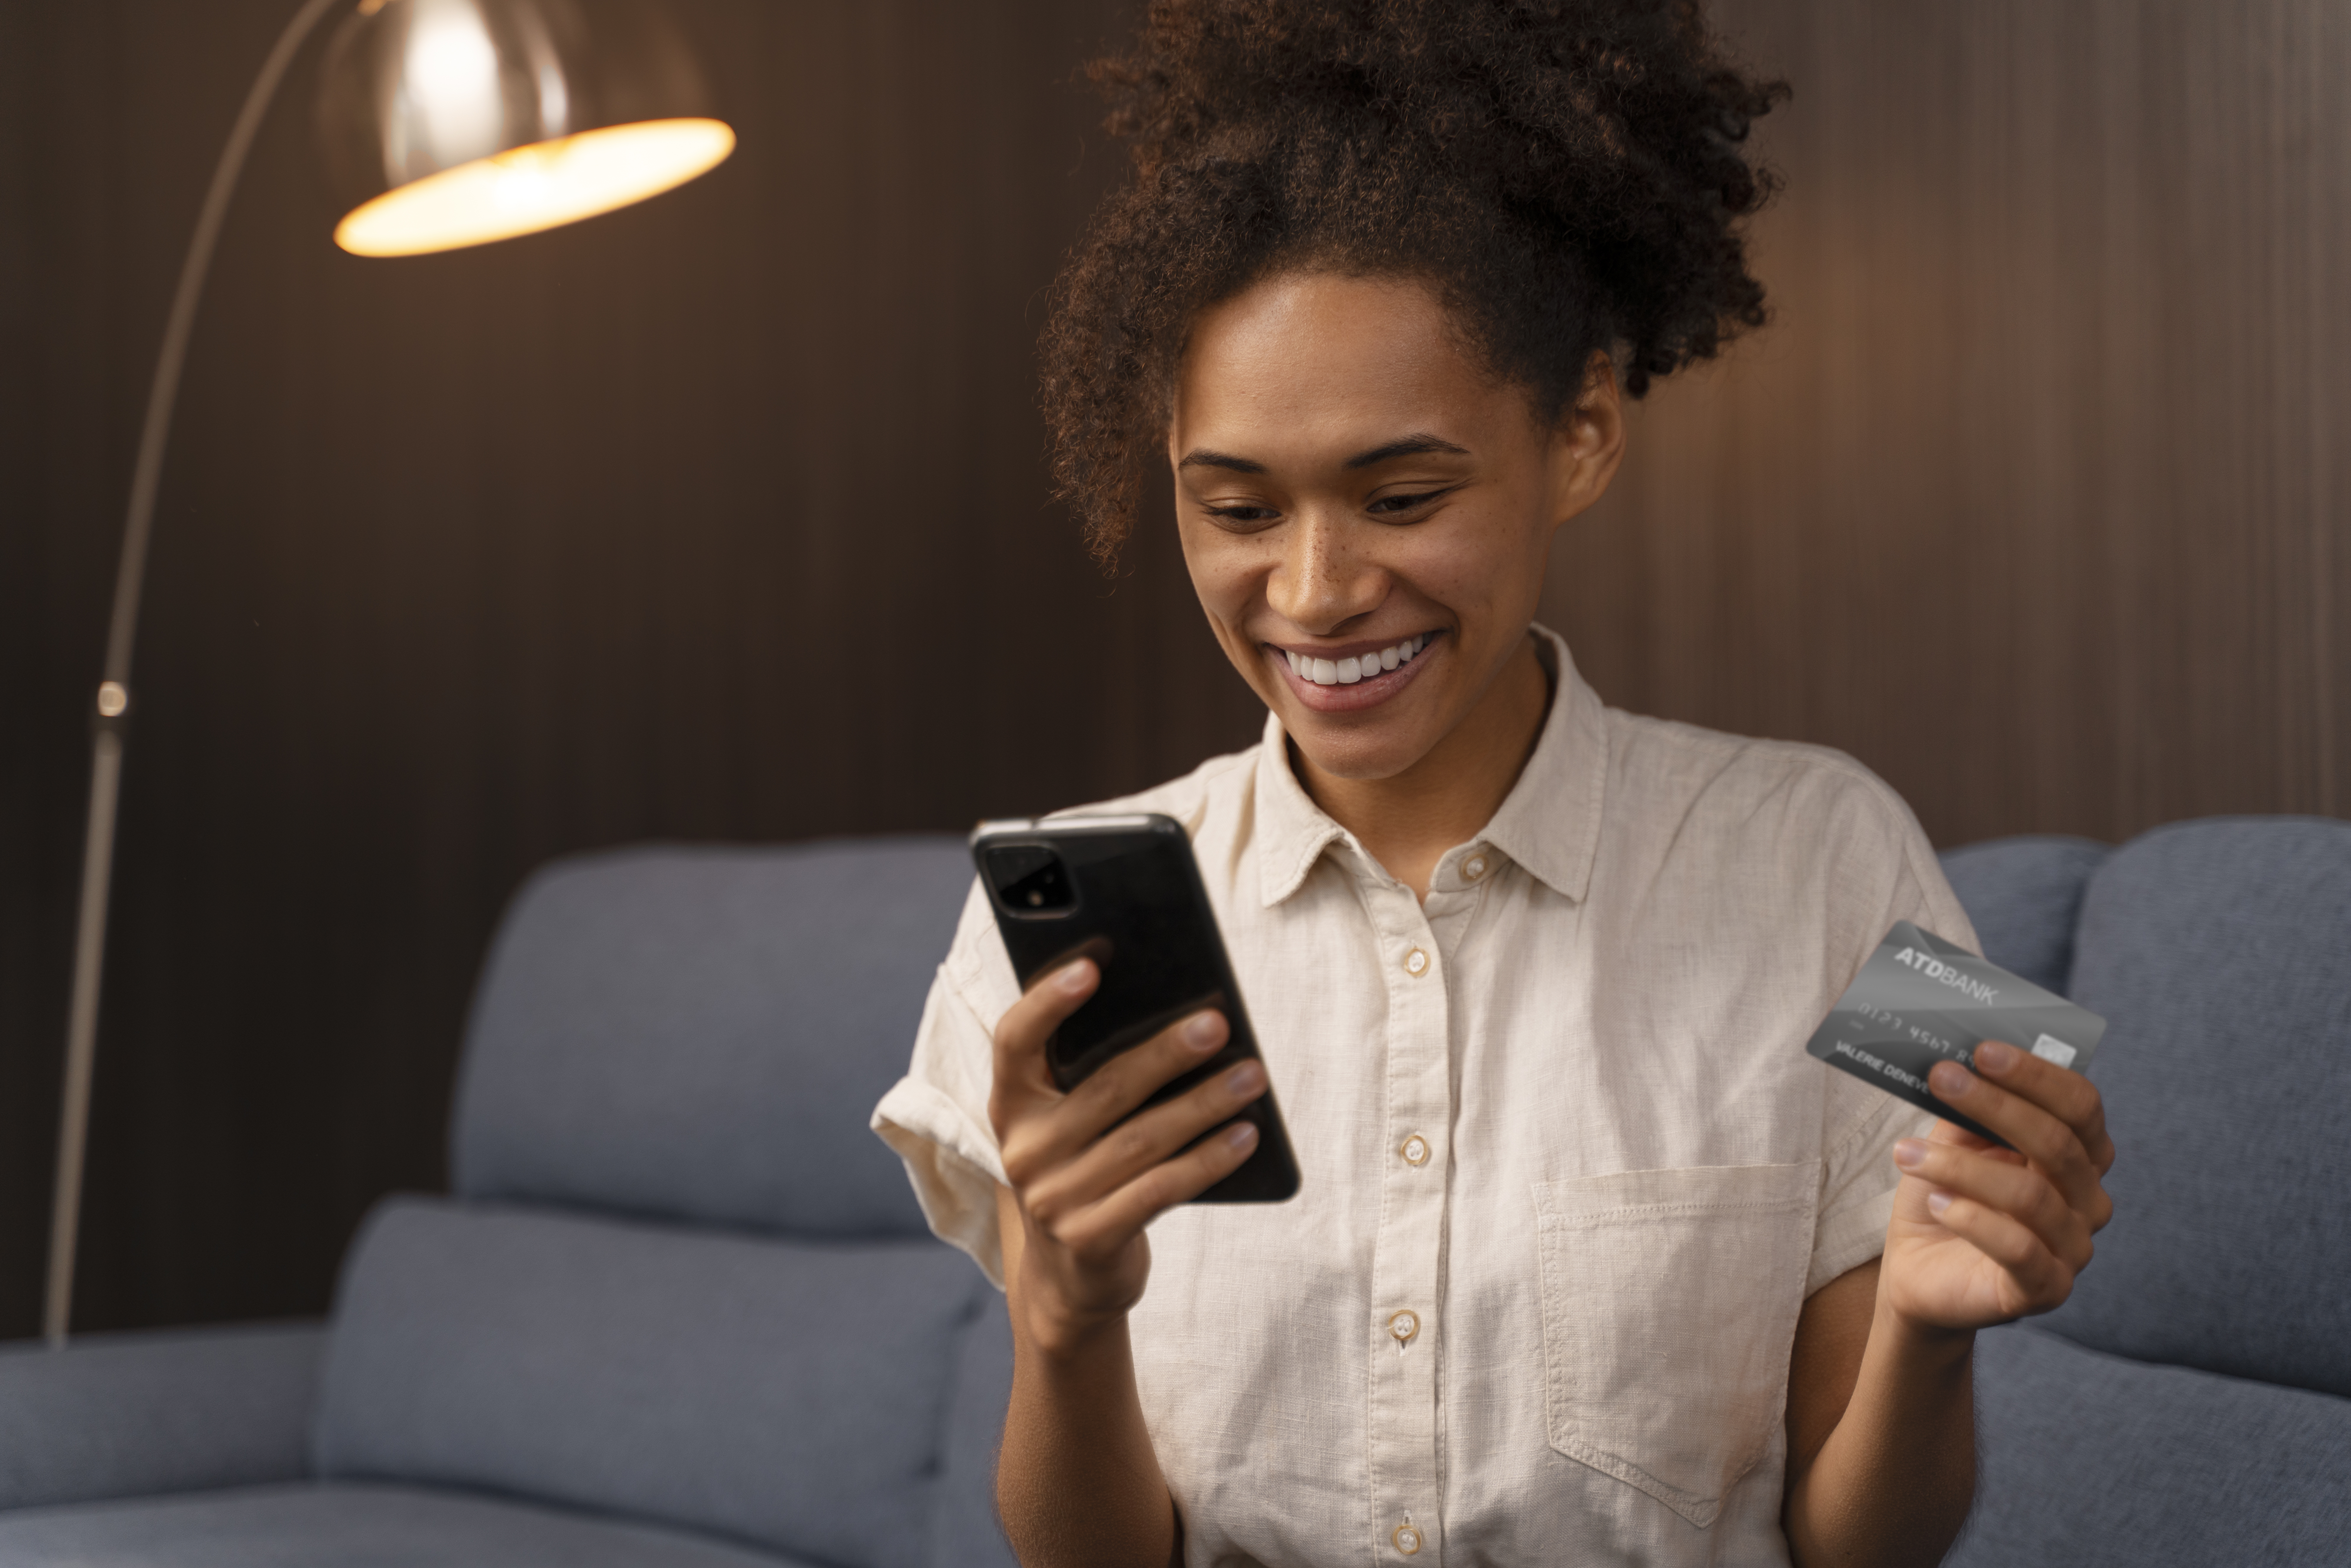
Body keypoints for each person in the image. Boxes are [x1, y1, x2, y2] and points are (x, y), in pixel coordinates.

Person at [873, 2, 2117, 1564]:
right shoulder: (1055, 930)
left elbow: (1867, 1547)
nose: (1315, 592)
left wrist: (1938, 1331)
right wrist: (1063, 1316)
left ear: (1584, 429)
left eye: (1403, 493)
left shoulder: (1831, 856)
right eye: (1238, 506)